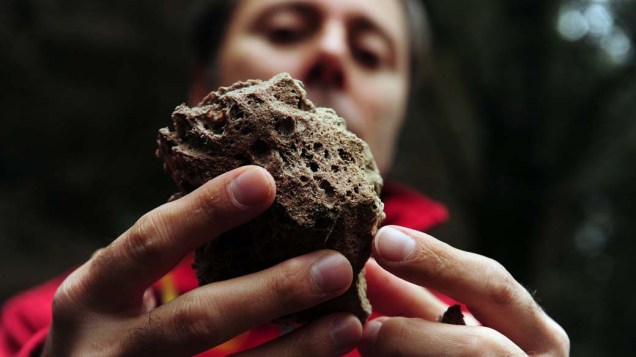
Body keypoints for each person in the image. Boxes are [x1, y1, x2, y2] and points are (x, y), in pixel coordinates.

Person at [0, 0, 569, 356]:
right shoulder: (53, 325)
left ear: (401, 114)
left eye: (370, 53)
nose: (329, 52)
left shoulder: (464, 331)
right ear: (206, 95)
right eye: (286, 28)